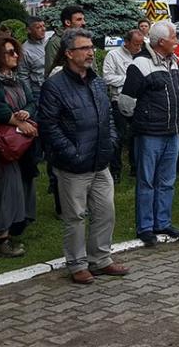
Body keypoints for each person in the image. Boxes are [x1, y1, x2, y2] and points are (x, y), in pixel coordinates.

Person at [38, 28, 128, 284]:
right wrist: (72, 153)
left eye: (91, 47)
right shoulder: (54, 86)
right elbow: (49, 126)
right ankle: (77, 263)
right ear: (68, 54)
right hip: (73, 165)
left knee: (105, 211)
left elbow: (107, 116)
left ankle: (100, 259)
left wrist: (110, 143)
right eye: (84, 48)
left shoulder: (96, 81)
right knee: (75, 216)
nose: (91, 52)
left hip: (100, 161)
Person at [119, 20, 179, 247]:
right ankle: (145, 227)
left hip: (172, 131)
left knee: (167, 180)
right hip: (150, 133)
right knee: (147, 181)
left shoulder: (173, 63)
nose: (177, 41)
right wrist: (140, 121)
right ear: (161, 42)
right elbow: (126, 102)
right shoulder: (141, 64)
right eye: (174, 37)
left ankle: (163, 222)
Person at [0, 35, 40, 257]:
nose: (15, 55)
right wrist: (17, 120)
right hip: (1, 144)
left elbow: (32, 101)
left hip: (23, 144)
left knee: (22, 185)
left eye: (15, 51)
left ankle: (12, 230)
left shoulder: (18, 79)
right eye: (9, 52)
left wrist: (27, 112)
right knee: (3, 190)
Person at [103, 30, 145, 182]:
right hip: (118, 99)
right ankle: (115, 169)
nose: (138, 47)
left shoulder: (142, 55)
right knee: (119, 137)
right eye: (135, 44)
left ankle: (135, 167)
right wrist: (129, 80)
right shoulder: (113, 55)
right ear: (126, 42)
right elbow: (107, 77)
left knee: (136, 135)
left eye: (141, 44)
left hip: (138, 101)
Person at [45, 6, 86, 77]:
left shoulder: (85, 40)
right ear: (68, 22)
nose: (84, 23)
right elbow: (50, 72)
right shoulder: (55, 42)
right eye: (79, 20)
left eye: (83, 19)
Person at [16, 16, 46, 102]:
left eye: (43, 26)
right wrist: (30, 99)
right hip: (40, 92)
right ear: (29, 30)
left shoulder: (50, 41)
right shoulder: (25, 51)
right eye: (38, 27)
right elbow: (23, 76)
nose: (43, 29)